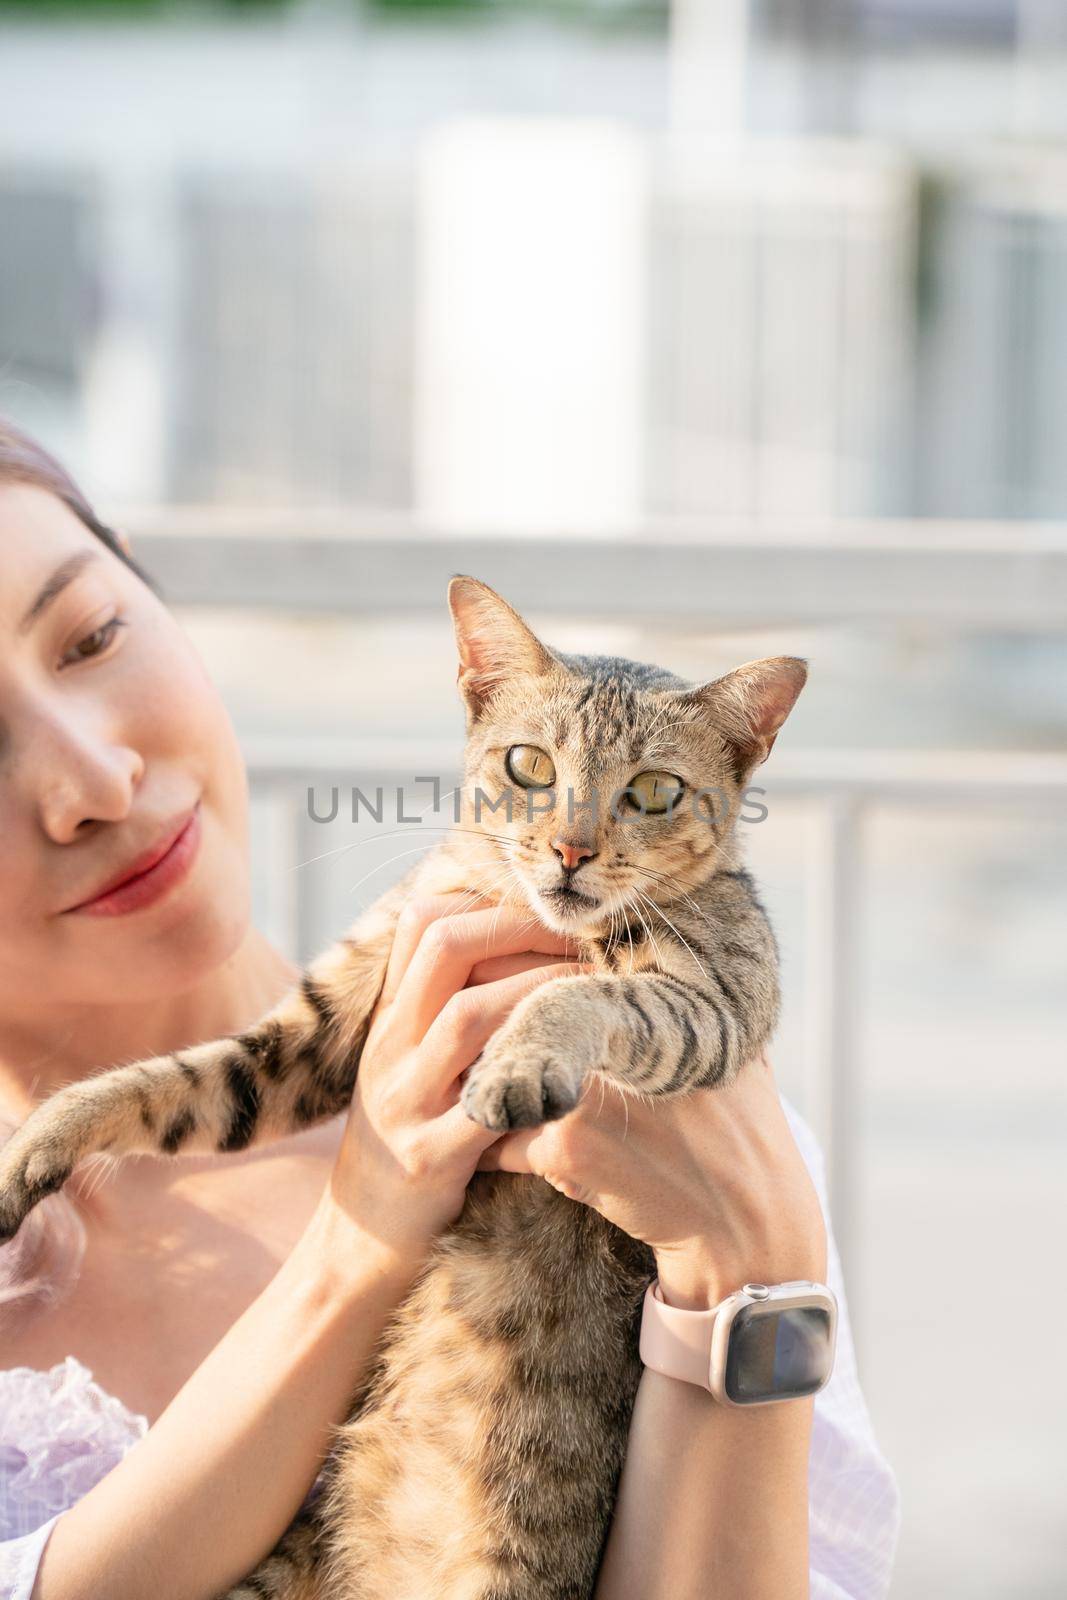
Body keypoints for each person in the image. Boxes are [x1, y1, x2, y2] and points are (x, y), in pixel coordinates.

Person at [0, 420, 899, 1600]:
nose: (94, 783)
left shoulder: (697, 1130)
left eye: (93, 634)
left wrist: (753, 1280)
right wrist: (353, 1246)